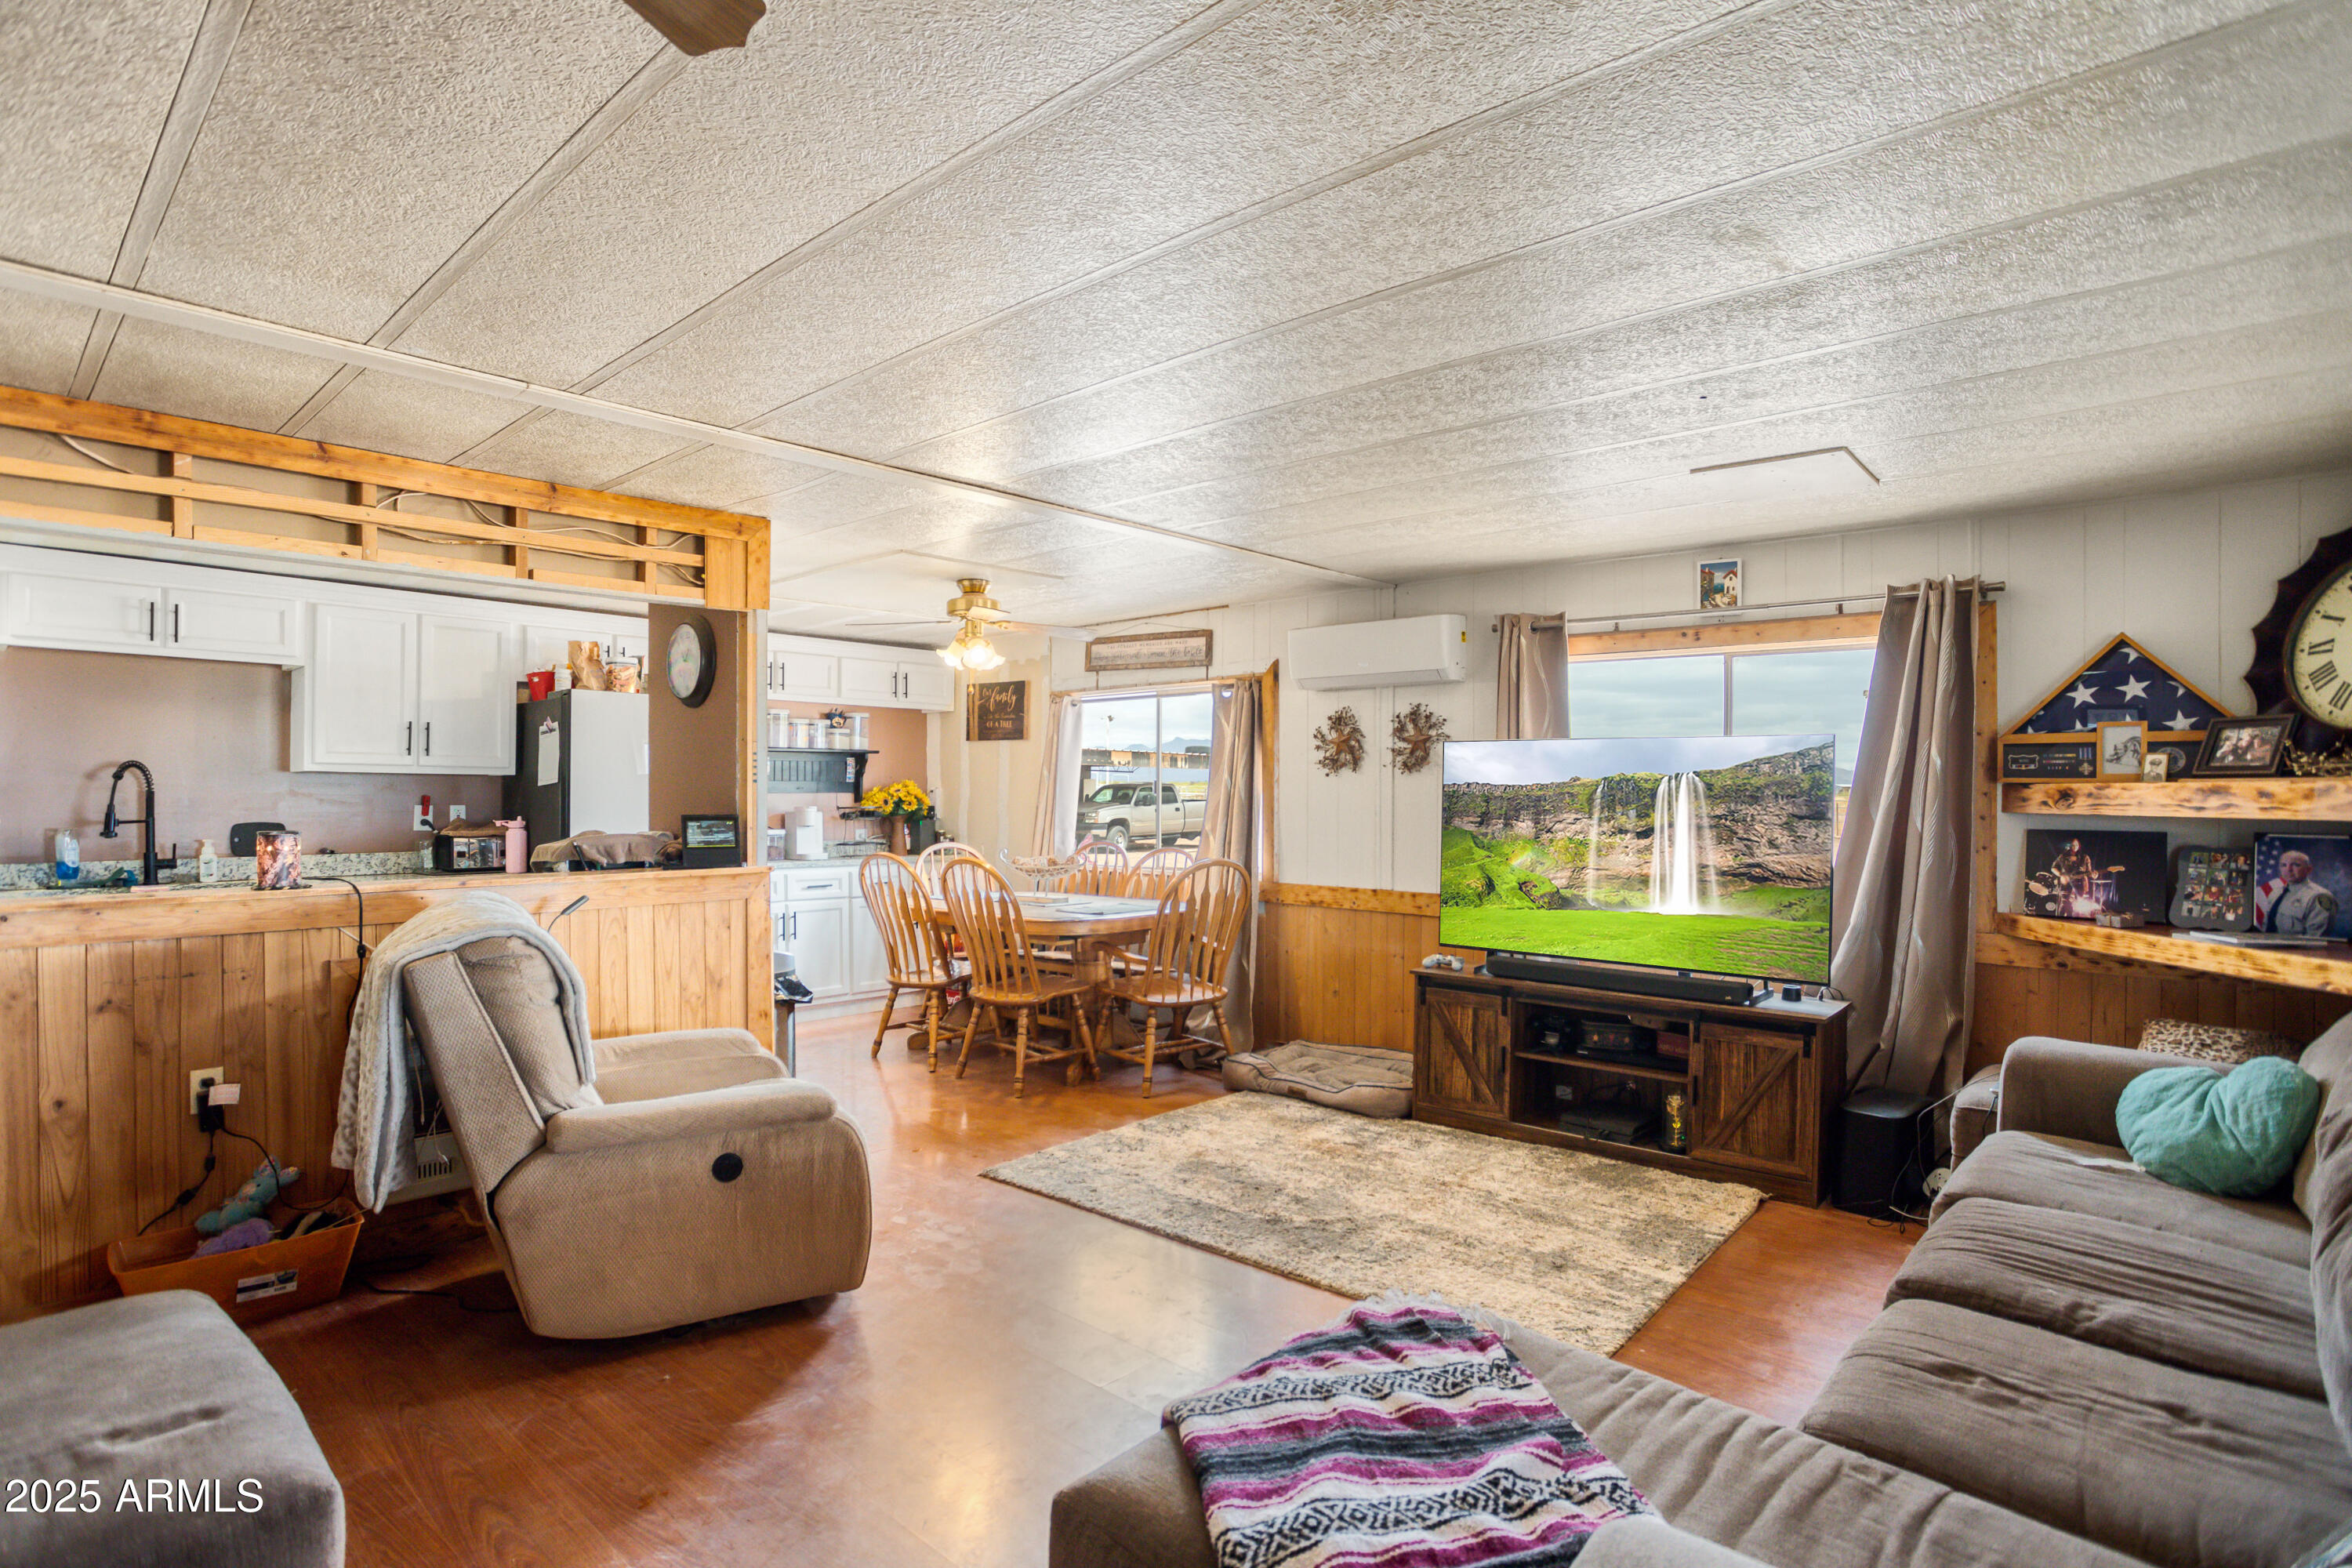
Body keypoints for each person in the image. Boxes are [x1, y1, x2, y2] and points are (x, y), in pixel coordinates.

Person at [2257, 849, 2339, 935]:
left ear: (2309, 869)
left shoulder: (2320, 896)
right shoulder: (2275, 893)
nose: (2289, 869)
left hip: (2298, 949)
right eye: (2284, 865)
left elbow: (2315, 940)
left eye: (2296, 865)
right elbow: (2265, 928)